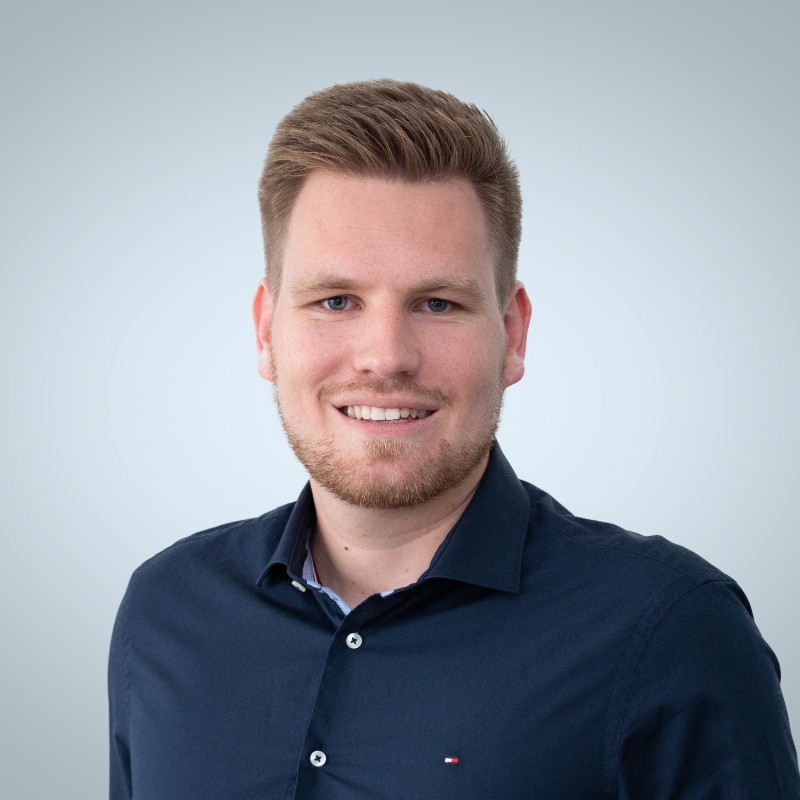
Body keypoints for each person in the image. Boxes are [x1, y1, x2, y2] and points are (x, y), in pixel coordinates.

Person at [108, 80, 800, 799]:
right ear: (265, 330)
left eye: (437, 303)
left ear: (513, 334)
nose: (386, 356)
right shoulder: (165, 611)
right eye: (336, 301)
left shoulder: (672, 629)